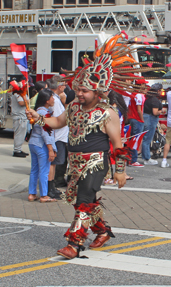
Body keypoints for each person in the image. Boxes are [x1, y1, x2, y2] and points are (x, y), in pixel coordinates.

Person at [26, 32, 157, 259]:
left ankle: (74, 244)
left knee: (84, 201)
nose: (79, 93)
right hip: (74, 162)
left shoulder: (108, 113)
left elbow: (118, 144)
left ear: (97, 92)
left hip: (96, 161)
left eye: (84, 91)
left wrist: (121, 171)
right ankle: (103, 231)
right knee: (87, 200)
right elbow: (57, 122)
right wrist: (37, 118)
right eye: (78, 89)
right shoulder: (74, 108)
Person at [27, 89, 58, 203]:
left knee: (34, 170)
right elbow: (46, 132)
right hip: (42, 144)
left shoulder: (37, 111)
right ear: (47, 100)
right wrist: (51, 149)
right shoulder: (44, 113)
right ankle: (44, 195)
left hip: (33, 143)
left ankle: (32, 193)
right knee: (44, 171)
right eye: (52, 97)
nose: (53, 99)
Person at [46, 76, 69, 199]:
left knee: (55, 164)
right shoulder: (53, 100)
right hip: (56, 137)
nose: (65, 87)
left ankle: (52, 186)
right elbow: (55, 119)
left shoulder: (56, 98)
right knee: (53, 163)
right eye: (64, 84)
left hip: (59, 136)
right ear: (60, 87)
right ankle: (50, 187)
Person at [127, 78, 147, 167]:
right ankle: (133, 160)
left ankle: (130, 158)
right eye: (143, 84)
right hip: (137, 119)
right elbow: (139, 110)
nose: (145, 86)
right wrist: (142, 119)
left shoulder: (132, 94)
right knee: (136, 140)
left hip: (132, 118)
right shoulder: (139, 95)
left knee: (132, 139)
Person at [142, 83, 164, 164]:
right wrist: (161, 111)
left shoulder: (149, 98)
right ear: (157, 91)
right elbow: (155, 112)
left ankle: (146, 157)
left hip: (147, 117)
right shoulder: (154, 100)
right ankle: (147, 158)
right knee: (147, 138)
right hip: (151, 119)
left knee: (146, 138)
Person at [11, 90, 29, 158]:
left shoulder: (23, 93)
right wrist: (28, 101)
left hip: (23, 116)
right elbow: (21, 103)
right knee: (19, 134)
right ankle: (17, 150)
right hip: (19, 117)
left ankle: (19, 149)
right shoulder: (17, 94)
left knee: (22, 134)